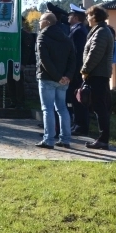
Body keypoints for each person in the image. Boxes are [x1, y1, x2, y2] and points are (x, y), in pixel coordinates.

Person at [35, 13, 76, 149]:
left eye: (40, 20)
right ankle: (65, 139)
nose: (39, 23)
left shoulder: (42, 36)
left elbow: (44, 60)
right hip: (63, 80)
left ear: (47, 22)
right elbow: (73, 59)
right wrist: (67, 76)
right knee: (62, 108)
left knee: (47, 109)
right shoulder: (66, 37)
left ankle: (49, 140)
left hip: (47, 78)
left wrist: (57, 76)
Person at [80, 5, 114, 150]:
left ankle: (103, 139)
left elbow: (95, 54)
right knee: (99, 107)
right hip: (98, 74)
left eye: (88, 15)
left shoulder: (101, 32)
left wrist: (85, 70)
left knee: (100, 107)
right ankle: (102, 138)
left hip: (98, 75)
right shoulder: (100, 31)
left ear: (94, 17)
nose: (87, 18)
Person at [68, 4, 90, 136]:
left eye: (71, 15)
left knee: (78, 99)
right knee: (75, 100)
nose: (68, 17)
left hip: (76, 72)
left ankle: (80, 126)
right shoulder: (77, 30)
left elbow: (77, 54)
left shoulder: (79, 31)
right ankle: (77, 124)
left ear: (76, 17)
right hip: (76, 71)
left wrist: (74, 72)